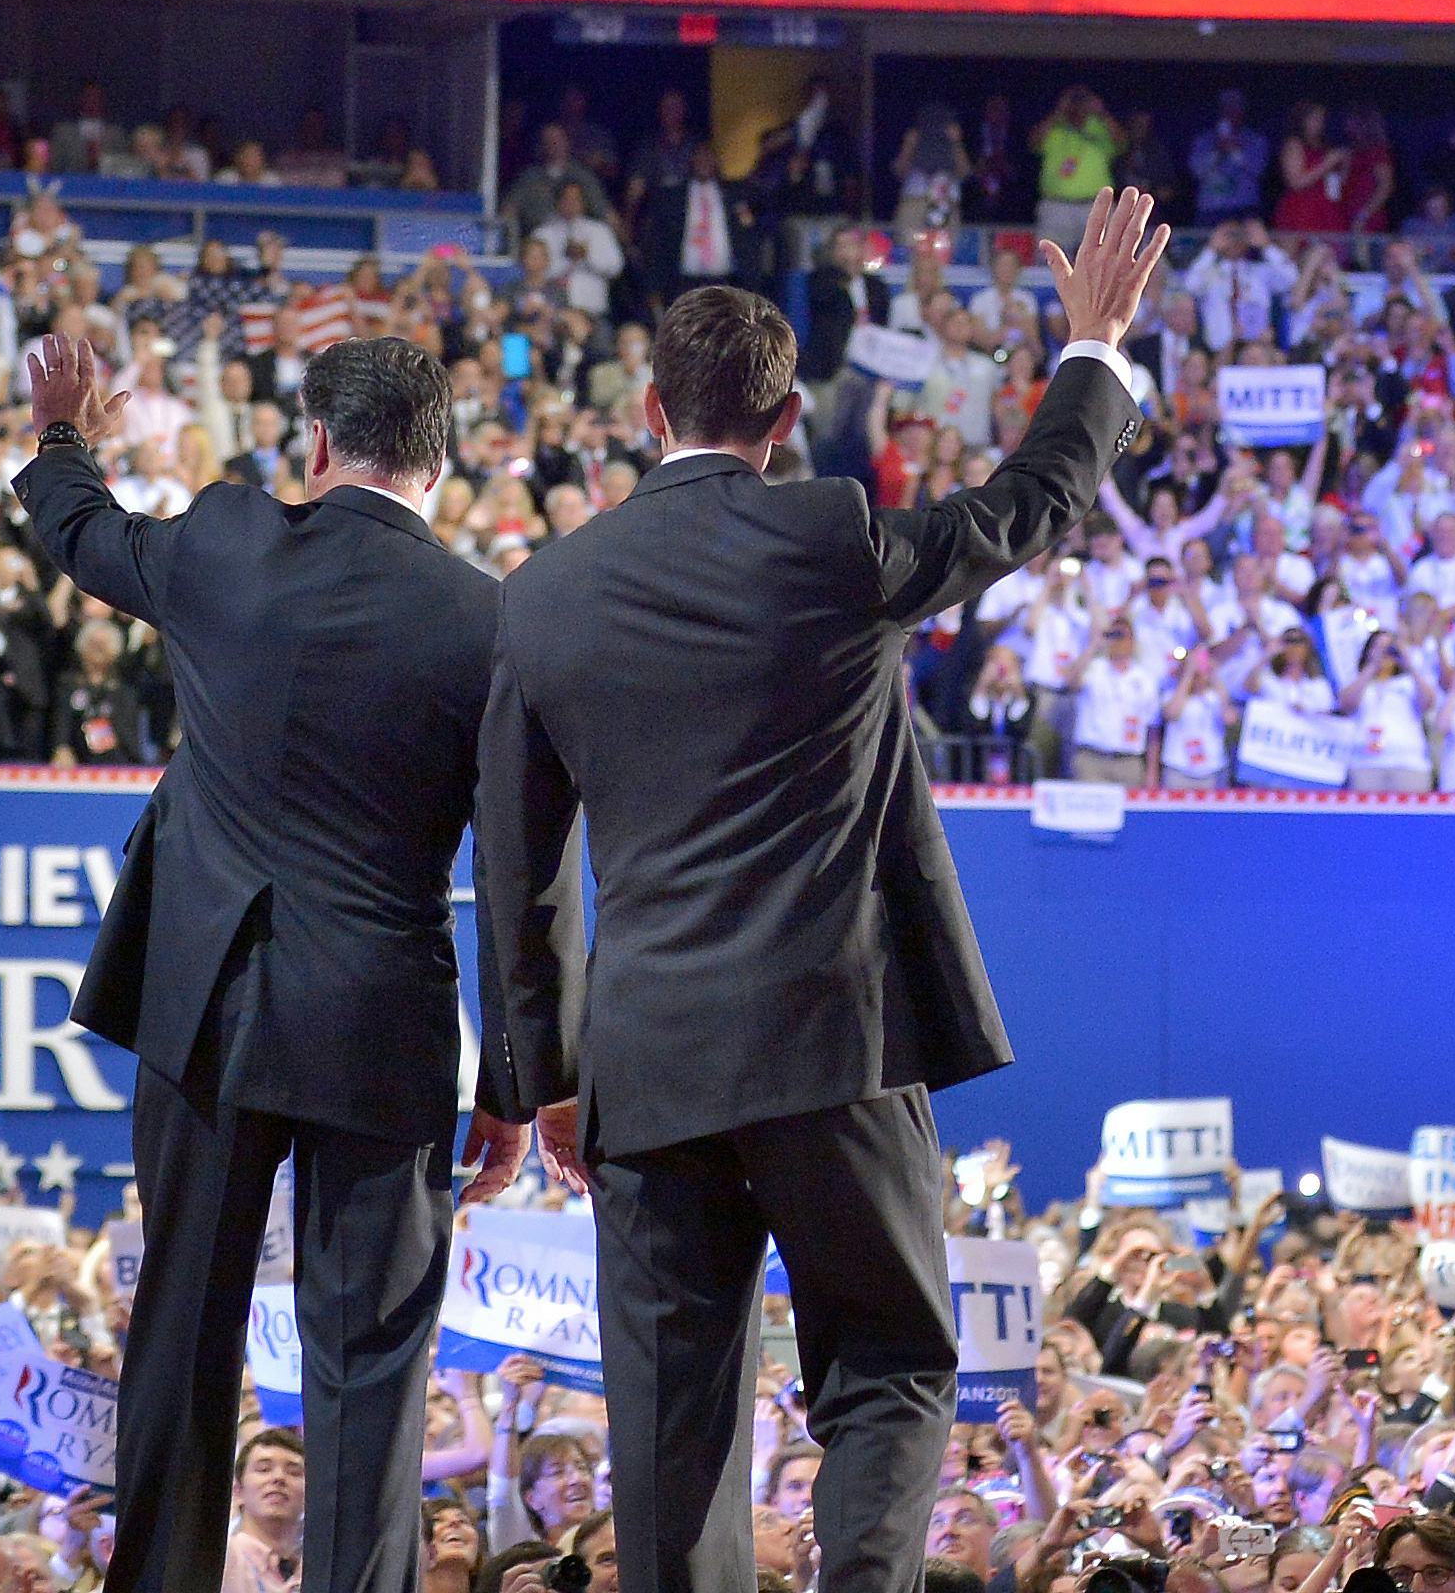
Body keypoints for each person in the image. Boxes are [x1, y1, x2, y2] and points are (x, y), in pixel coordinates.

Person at [473, 190, 1169, 1593]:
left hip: (648, 1062)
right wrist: (1092, 348)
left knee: (667, 1417)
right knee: (891, 1358)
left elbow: (518, 867)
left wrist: (543, 1076)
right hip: (832, 1043)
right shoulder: (832, 537)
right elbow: (1025, 507)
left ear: (651, 411)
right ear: (785, 419)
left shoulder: (543, 594)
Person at [15, 331, 501, 1593]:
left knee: (183, 1325)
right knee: (372, 1360)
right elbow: (518, 868)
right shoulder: (488, 619)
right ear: (437, 464)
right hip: (382, 1021)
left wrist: (63, 433)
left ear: (317, 443)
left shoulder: (226, 539)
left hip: (210, 1003)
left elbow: (81, 532)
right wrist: (516, 1075)